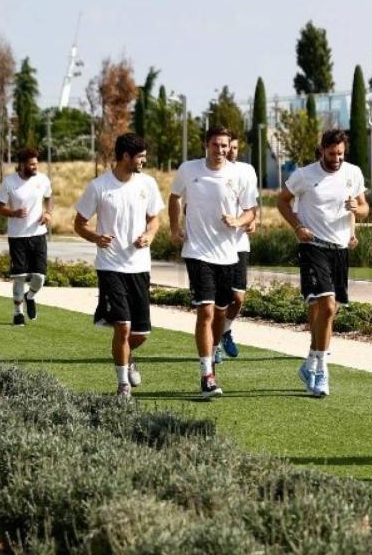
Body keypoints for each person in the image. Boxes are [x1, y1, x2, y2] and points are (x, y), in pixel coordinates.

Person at [276, 129, 368, 397]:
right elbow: (282, 201)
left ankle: (311, 364)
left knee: (328, 312)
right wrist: (297, 227)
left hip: (340, 250)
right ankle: (322, 370)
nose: (336, 159)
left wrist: (357, 209)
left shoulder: (353, 173)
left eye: (340, 154)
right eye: (331, 154)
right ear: (322, 151)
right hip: (313, 246)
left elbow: (365, 208)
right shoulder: (304, 175)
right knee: (326, 306)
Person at [169, 126, 257, 398]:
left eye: (224, 146)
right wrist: (175, 228)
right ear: (206, 145)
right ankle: (206, 374)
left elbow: (250, 211)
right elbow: (174, 197)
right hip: (197, 251)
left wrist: (238, 221)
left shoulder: (240, 174)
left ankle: (214, 351)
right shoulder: (188, 169)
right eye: (215, 145)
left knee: (221, 312)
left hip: (228, 253)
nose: (220, 150)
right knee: (205, 311)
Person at [73, 133, 163, 398]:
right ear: (126, 156)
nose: (144, 161)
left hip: (139, 266)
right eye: (140, 157)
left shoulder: (148, 184)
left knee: (141, 333)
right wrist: (96, 238)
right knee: (122, 326)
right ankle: (123, 385)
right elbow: (79, 224)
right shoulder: (99, 186)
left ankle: (126, 355)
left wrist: (149, 235)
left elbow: (154, 219)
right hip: (110, 266)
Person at [0, 147, 53, 326]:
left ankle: (30, 296)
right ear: (21, 165)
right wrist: (13, 213)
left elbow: (49, 197)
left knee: (40, 277)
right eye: (31, 164)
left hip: (38, 234)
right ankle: (18, 313)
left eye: (36, 163)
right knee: (19, 276)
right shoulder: (9, 182)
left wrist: (48, 213)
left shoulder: (42, 179)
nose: (35, 167)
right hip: (17, 237)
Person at [219, 134, 260, 358]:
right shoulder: (211, 172)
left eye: (235, 147)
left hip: (240, 243)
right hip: (216, 244)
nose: (232, 151)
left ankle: (224, 331)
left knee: (238, 298)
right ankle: (213, 345)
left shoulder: (247, 171)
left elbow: (252, 204)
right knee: (218, 299)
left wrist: (252, 220)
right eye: (229, 147)